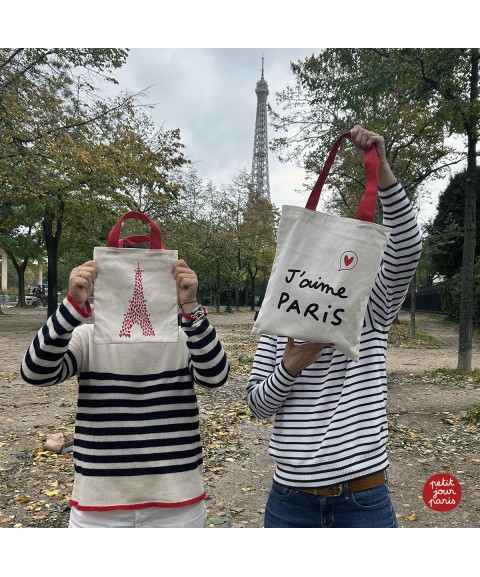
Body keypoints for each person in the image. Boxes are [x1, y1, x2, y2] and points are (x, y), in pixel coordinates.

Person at [245, 125, 422, 528]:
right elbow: (256, 405)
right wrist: (291, 366)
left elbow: (408, 246)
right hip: (291, 498)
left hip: (362, 496)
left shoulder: (370, 306)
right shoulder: (278, 316)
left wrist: (383, 168)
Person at [21, 247, 230, 528]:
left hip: (176, 504)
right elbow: (35, 373)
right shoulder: (87, 337)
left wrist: (192, 308)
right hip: (100, 506)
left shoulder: (184, 337)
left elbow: (215, 376)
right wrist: (71, 307)